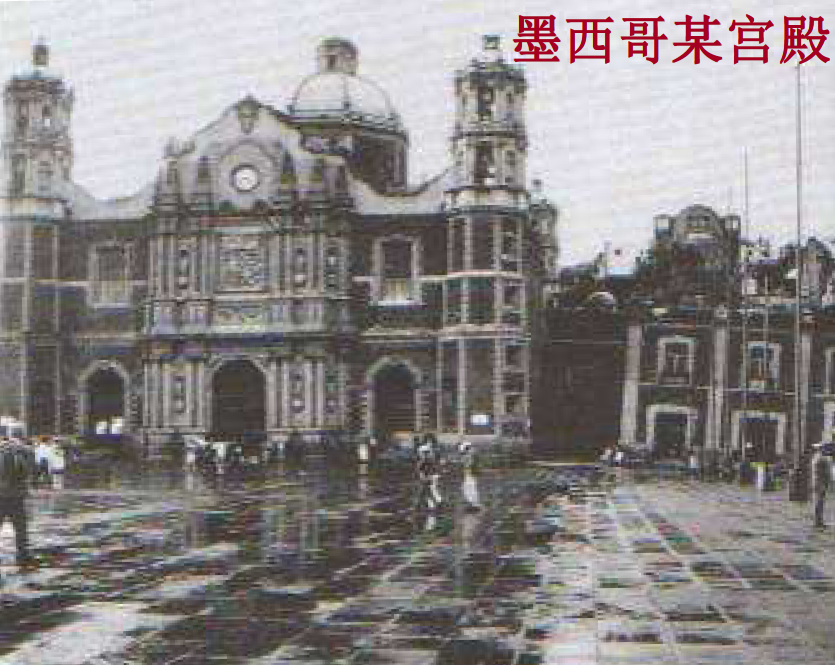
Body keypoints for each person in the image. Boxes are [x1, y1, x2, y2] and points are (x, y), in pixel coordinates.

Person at [0, 436, 37, 569]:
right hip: (15, 497)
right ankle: (23, 554)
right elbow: (29, 469)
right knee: (21, 528)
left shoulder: (16, 454)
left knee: (21, 528)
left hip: (8, 496)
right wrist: (19, 446)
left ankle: (23, 554)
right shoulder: (21, 454)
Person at [811, 443, 834, 529]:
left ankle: (819, 521)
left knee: (819, 503)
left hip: (818, 483)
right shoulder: (821, 458)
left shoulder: (817, 457)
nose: (827, 451)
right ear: (821, 449)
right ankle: (818, 522)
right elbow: (827, 473)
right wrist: (830, 482)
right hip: (820, 483)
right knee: (819, 503)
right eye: (825, 449)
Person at [416, 443, 443, 511]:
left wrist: (433, 476)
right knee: (426, 492)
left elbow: (435, 470)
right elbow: (421, 472)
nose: (424, 455)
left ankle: (436, 504)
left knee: (429, 492)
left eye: (426, 453)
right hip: (428, 479)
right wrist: (424, 477)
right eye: (423, 453)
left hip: (430, 479)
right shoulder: (423, 462)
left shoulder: (428, 461)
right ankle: (432, 505)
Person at [459, 441, 482, 512]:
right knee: (467, 489)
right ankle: (473, 504)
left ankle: (475, 505)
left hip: (470, 475)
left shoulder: (470, 456)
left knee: (470, 489)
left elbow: (469, 465)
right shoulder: (469, 456)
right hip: (469, 475)